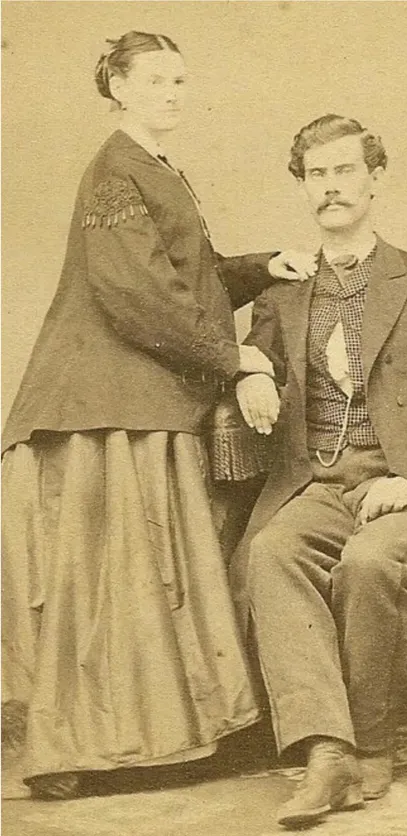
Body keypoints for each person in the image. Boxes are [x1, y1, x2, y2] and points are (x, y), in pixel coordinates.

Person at [1, 31, 316, 800]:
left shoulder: (154, 166)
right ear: (119, 86)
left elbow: (184, 274)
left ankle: (158, 739)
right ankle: (93, 749)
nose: (173, 92)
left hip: (139, 395)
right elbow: (132, 291)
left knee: (144, 580)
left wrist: (256, 267)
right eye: (155, 80)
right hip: (107, 402)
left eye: (180, 79)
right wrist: (234, 356)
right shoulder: (116, 167)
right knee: (115, 582)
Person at [230, 114, 407, 829]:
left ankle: (373, 742)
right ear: (303, 187)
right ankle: (328, 750)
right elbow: (255, 352)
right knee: (273, 551)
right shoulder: (284, 293)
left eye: (343, 171)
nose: (330, 188)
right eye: (316, 175)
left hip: (404, 486)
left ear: (374, 179)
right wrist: (249, 368)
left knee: (369, 564)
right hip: (317, 482)